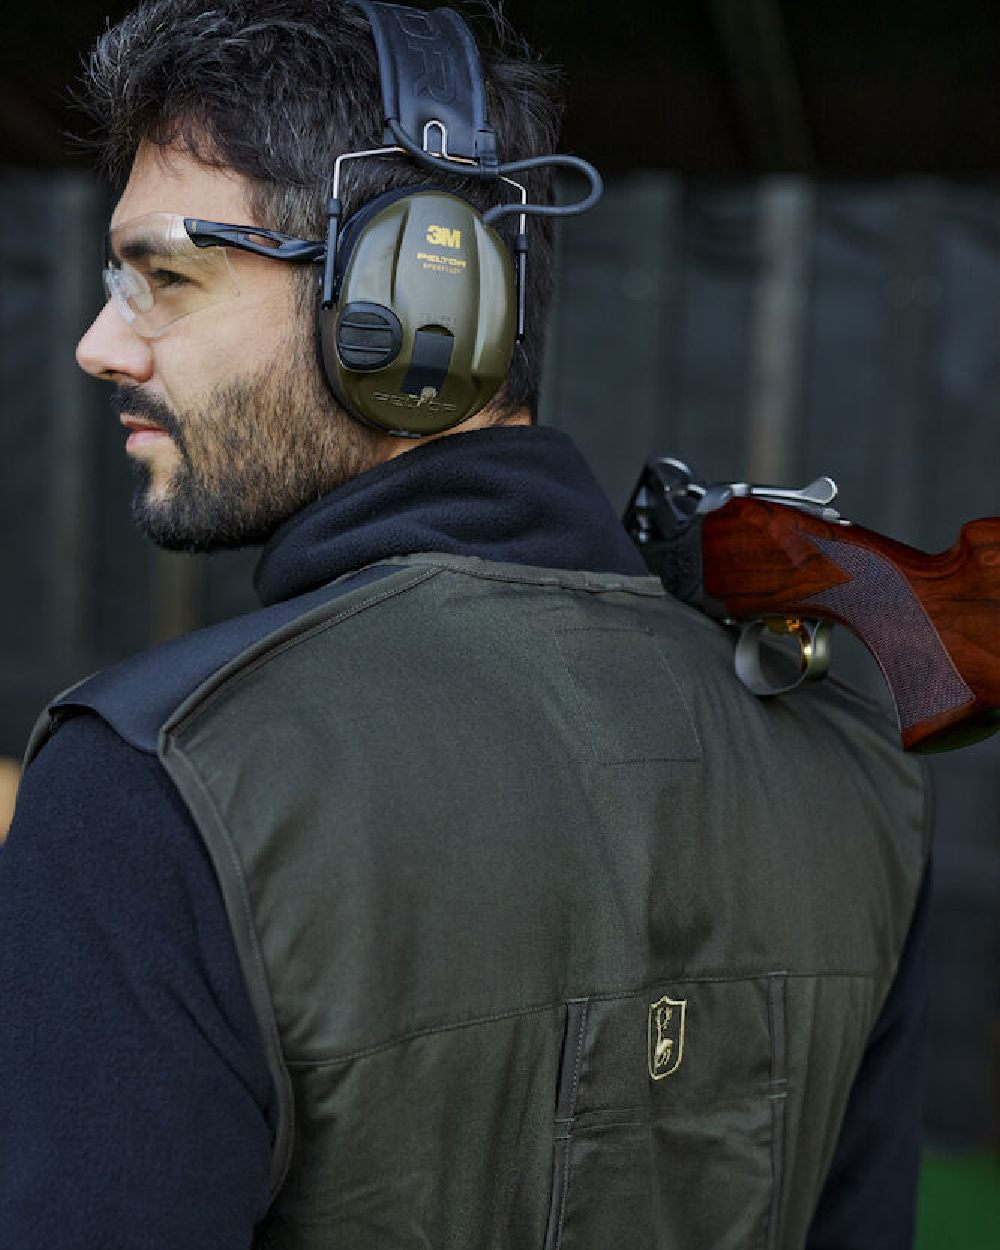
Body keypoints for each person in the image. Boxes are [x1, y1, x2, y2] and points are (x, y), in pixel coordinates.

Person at [0, 3, 931, 1248]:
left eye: (165, 275)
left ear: (414, 303)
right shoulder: (855, 757)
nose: (99, 341)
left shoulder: (152, 786)